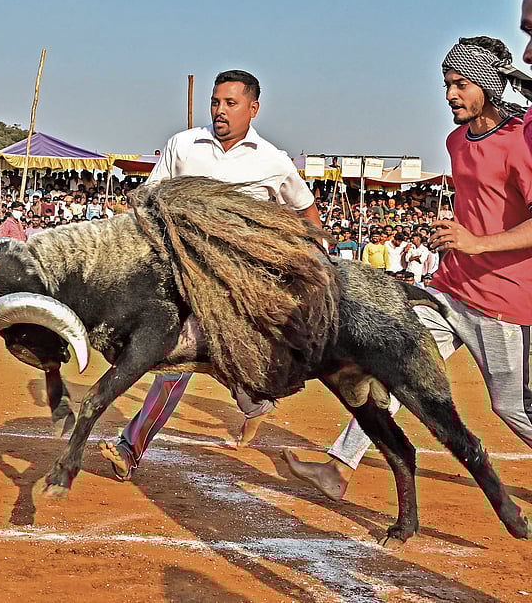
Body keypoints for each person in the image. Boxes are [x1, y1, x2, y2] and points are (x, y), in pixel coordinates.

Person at [284, 35, 532, 499]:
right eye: (446, 84)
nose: (449, 95)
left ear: (486, 85)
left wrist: (477, 242)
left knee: (511, 407)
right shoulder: (456, 141)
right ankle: (338, 467)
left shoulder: (521, 142)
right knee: (392, 365)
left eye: (460, 84)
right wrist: (458, 236)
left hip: (502, 301)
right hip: (449, 288)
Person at [100, 70, 323, 481]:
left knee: (218, 355)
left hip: (238, 284)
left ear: (253, 108)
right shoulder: (183, 145)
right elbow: (149, 197)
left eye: (231, 103)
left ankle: (252, 402)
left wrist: (313, 260)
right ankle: (132, 447)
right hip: (180, 273)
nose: (220, 110)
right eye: (216, 102)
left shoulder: (273, 160)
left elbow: (307, 211)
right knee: (172, 360)